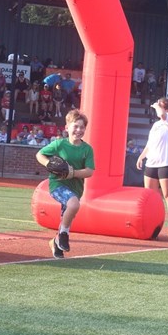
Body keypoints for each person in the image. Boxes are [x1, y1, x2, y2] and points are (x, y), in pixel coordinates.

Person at [36, 109, 95, 259]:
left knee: (66, 216)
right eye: (75, 126)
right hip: (57, 184)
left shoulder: (87, 149)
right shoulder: (59, 144)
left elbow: (89, 171)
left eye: (82, 127)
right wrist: (49, 164)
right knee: (74, 205)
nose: (79, 130)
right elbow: (40, 154)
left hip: (76, 188)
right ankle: (63, 234)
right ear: (67, 127)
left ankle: (56, 244)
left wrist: (72, 173)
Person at [136, 98, 168, 238]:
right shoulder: (156, 125)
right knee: (151, 197)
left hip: (167, 163)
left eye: (160, 105)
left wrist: (157, 106)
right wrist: (141, 156)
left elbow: (162, 114)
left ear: (167, 109)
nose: (156, 107)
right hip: (151, 163)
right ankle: (152, 226)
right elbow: (150, 144)